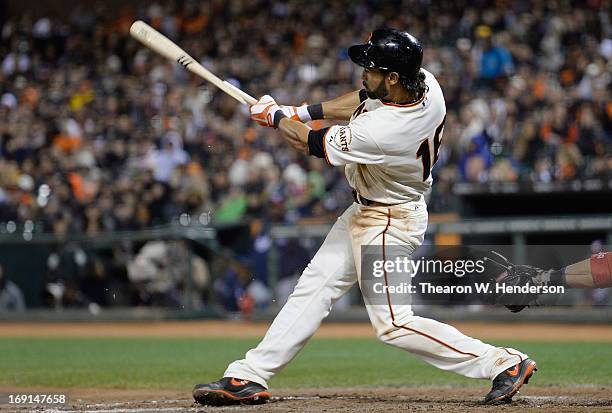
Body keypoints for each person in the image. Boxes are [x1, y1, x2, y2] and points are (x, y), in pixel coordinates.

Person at [193, 28, 536, 406]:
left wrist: (274, 117)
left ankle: (503, 361)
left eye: (371, 68)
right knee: (315, 287)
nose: (363, 73)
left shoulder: (383, 131)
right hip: (368, 208)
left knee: (393, 323)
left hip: (390, 220)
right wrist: (301, 111)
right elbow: (363, 99)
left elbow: (310, 143)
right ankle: (249, 374)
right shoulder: (425, 85)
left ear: (392, 77)